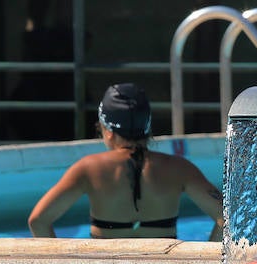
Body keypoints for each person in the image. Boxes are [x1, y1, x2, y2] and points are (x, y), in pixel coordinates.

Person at [27, 83, 225, 240]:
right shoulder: (180, 169)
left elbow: (38, 220)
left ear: (107, 130)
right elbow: (227, 219)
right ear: (147, 128)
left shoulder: (88, 169)